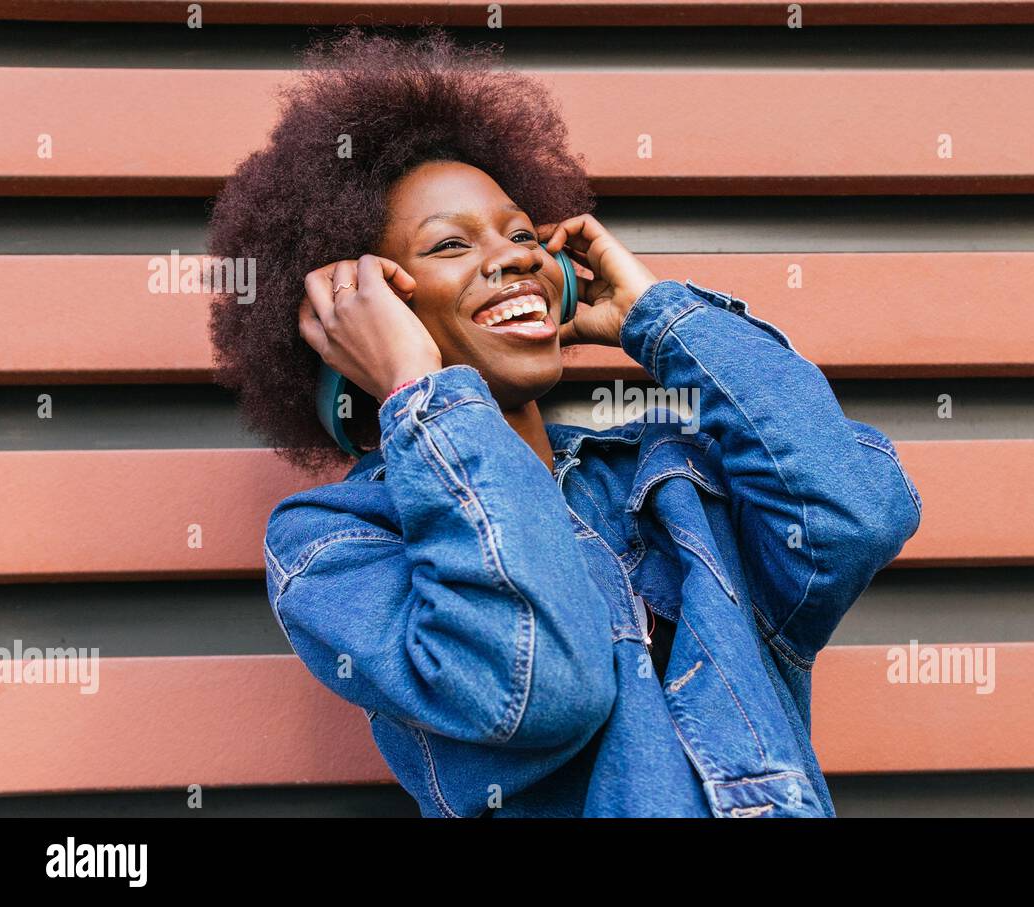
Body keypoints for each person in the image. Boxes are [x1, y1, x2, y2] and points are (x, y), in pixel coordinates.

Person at [207, 27, 923, 818]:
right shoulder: (337, 541)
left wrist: (660, 320)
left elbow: (855, 513)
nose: (516, 258)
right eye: (449, 244)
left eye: (521, 234)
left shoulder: (667, 480)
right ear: (361, 310)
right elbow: (542, 684)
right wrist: (418, 387)